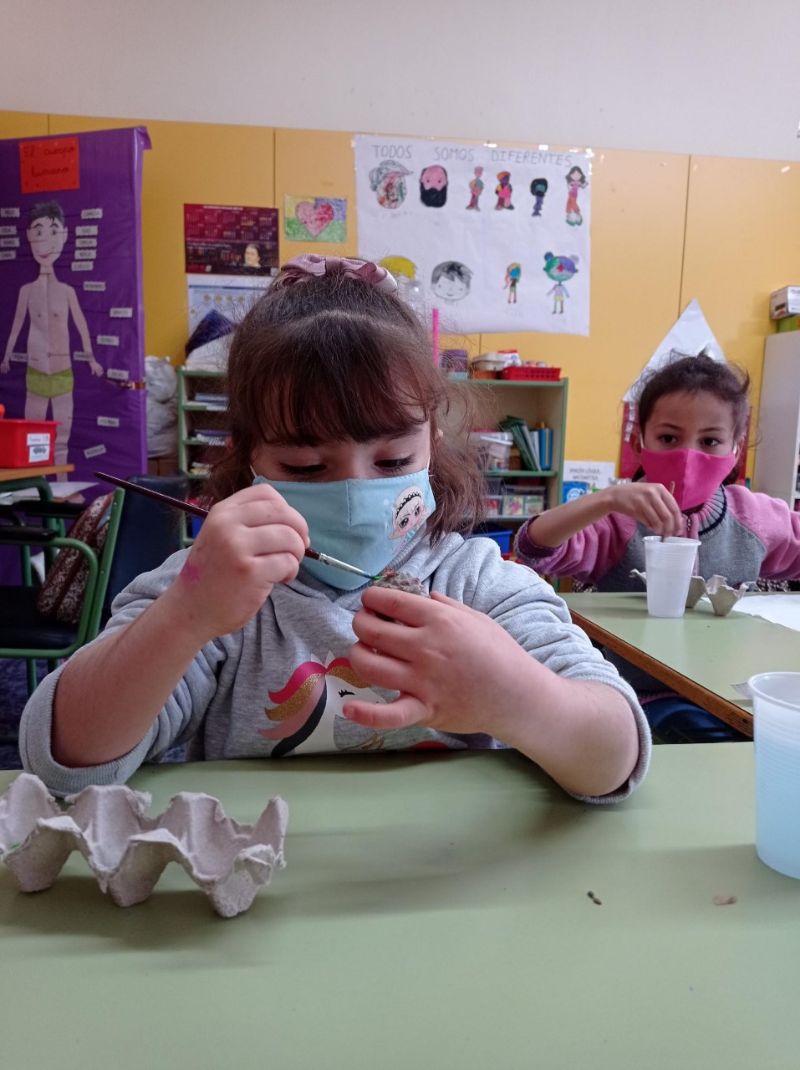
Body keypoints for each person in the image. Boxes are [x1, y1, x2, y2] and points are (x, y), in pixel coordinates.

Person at [20, 255, 649, 803]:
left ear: (432, 443)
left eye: (393, 462)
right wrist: (185, 615)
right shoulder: (212, 588)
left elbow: (615, 758)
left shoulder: (477, 583)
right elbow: (65, 760)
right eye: (305, 467)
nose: (354, 493)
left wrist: (513, 696)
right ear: (248, 459)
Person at [516, 353, 800, 741]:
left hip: (731, 697)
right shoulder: (616, 519)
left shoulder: (754, 516)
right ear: (640, 441)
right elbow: (533, 547)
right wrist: (604, 500)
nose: (688, 455)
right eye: (668, 438)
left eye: (710, 441)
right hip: (637, 698)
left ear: (735, 448)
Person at [1, 201, 104, 478]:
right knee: (32, 439)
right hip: (35, 371)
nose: (45, 240)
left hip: (62, 372)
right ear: (28, 236)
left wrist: (91, 358)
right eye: (38, 232)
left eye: (53, 231)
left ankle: (60, 486)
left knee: (62, 438)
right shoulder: (26, 290)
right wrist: (6, 356)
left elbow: (81, 325)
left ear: (65, 235)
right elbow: (17, 325)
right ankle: (36, 487)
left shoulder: (67, 291)